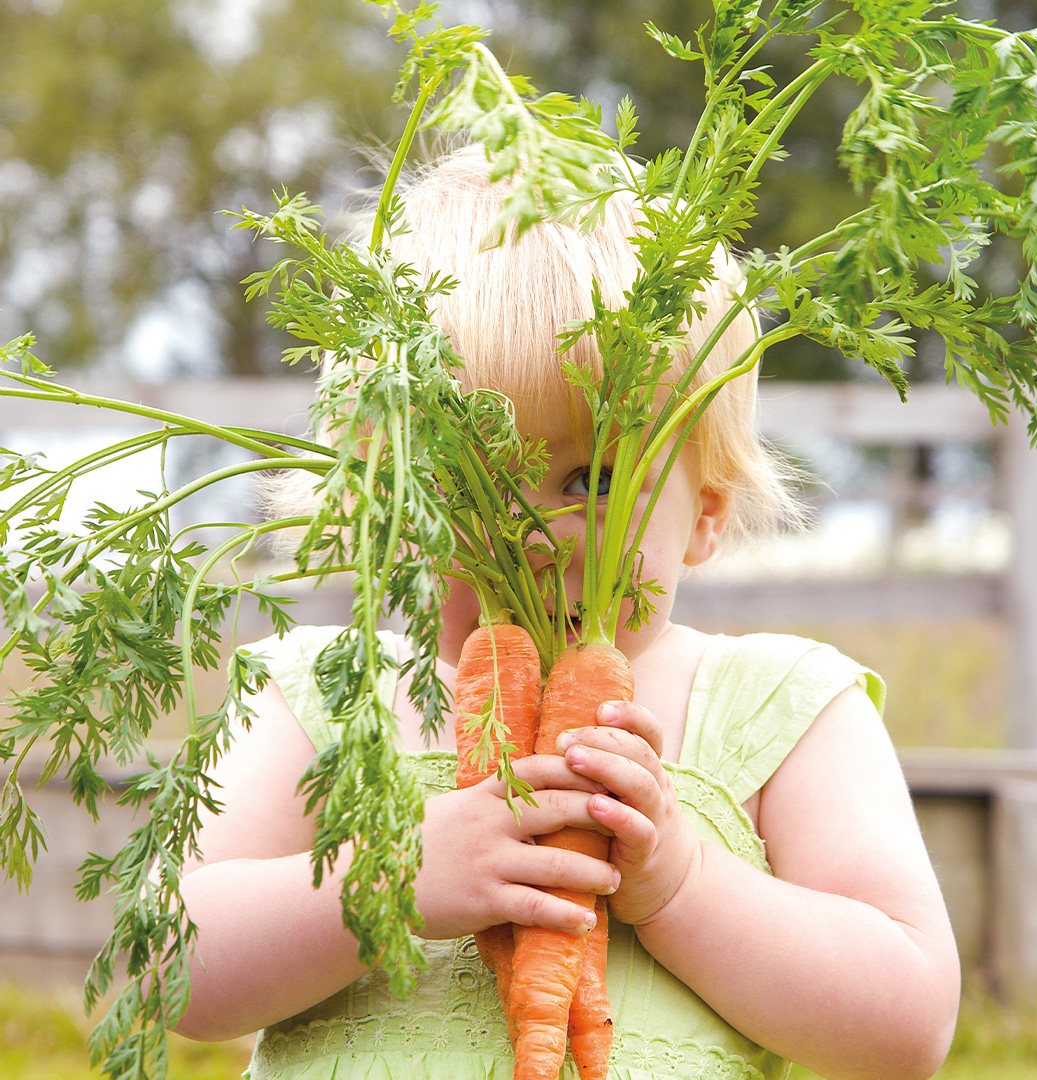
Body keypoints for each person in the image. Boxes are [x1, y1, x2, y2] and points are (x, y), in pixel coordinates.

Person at [171, 145, 961, 1080]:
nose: (534, 533)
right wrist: (382, 884)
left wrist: (684, 886)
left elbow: (905, 1025)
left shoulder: (782, 709)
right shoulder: (326, 696)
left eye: (592, 481)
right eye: (477, 481)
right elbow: (171, 972)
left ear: (705, 513)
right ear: (389, 497)